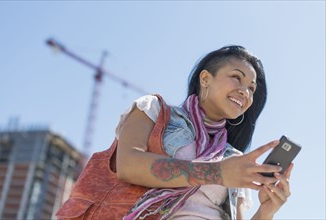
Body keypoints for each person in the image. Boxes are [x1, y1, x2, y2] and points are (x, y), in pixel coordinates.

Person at [115, 45, 293, 220]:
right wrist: (217, 172)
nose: (245, 92)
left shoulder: (235, 158)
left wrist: (266, 212)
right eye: (236, 77)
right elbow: (128, 165)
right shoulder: (154, 110)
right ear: (206, 79)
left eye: (251, 88)